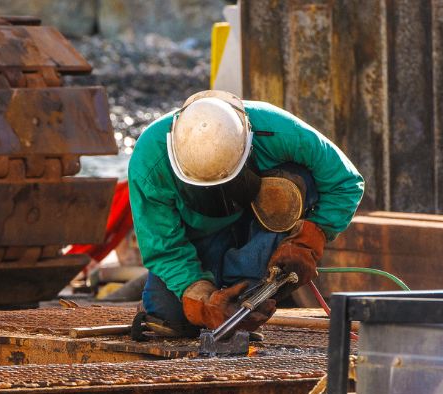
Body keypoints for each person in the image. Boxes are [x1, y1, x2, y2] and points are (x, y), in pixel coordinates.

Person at [128, 90, 364, 337]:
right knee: (174, 319)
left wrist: (309, 239)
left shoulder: (277, 129)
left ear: (248, 145)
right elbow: (164, 248)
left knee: (300, 177)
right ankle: (221, 294)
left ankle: (248, 285)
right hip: (197, 237)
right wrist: (201, 296)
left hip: (260, 222)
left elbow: (345, 181)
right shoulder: (150, 160)